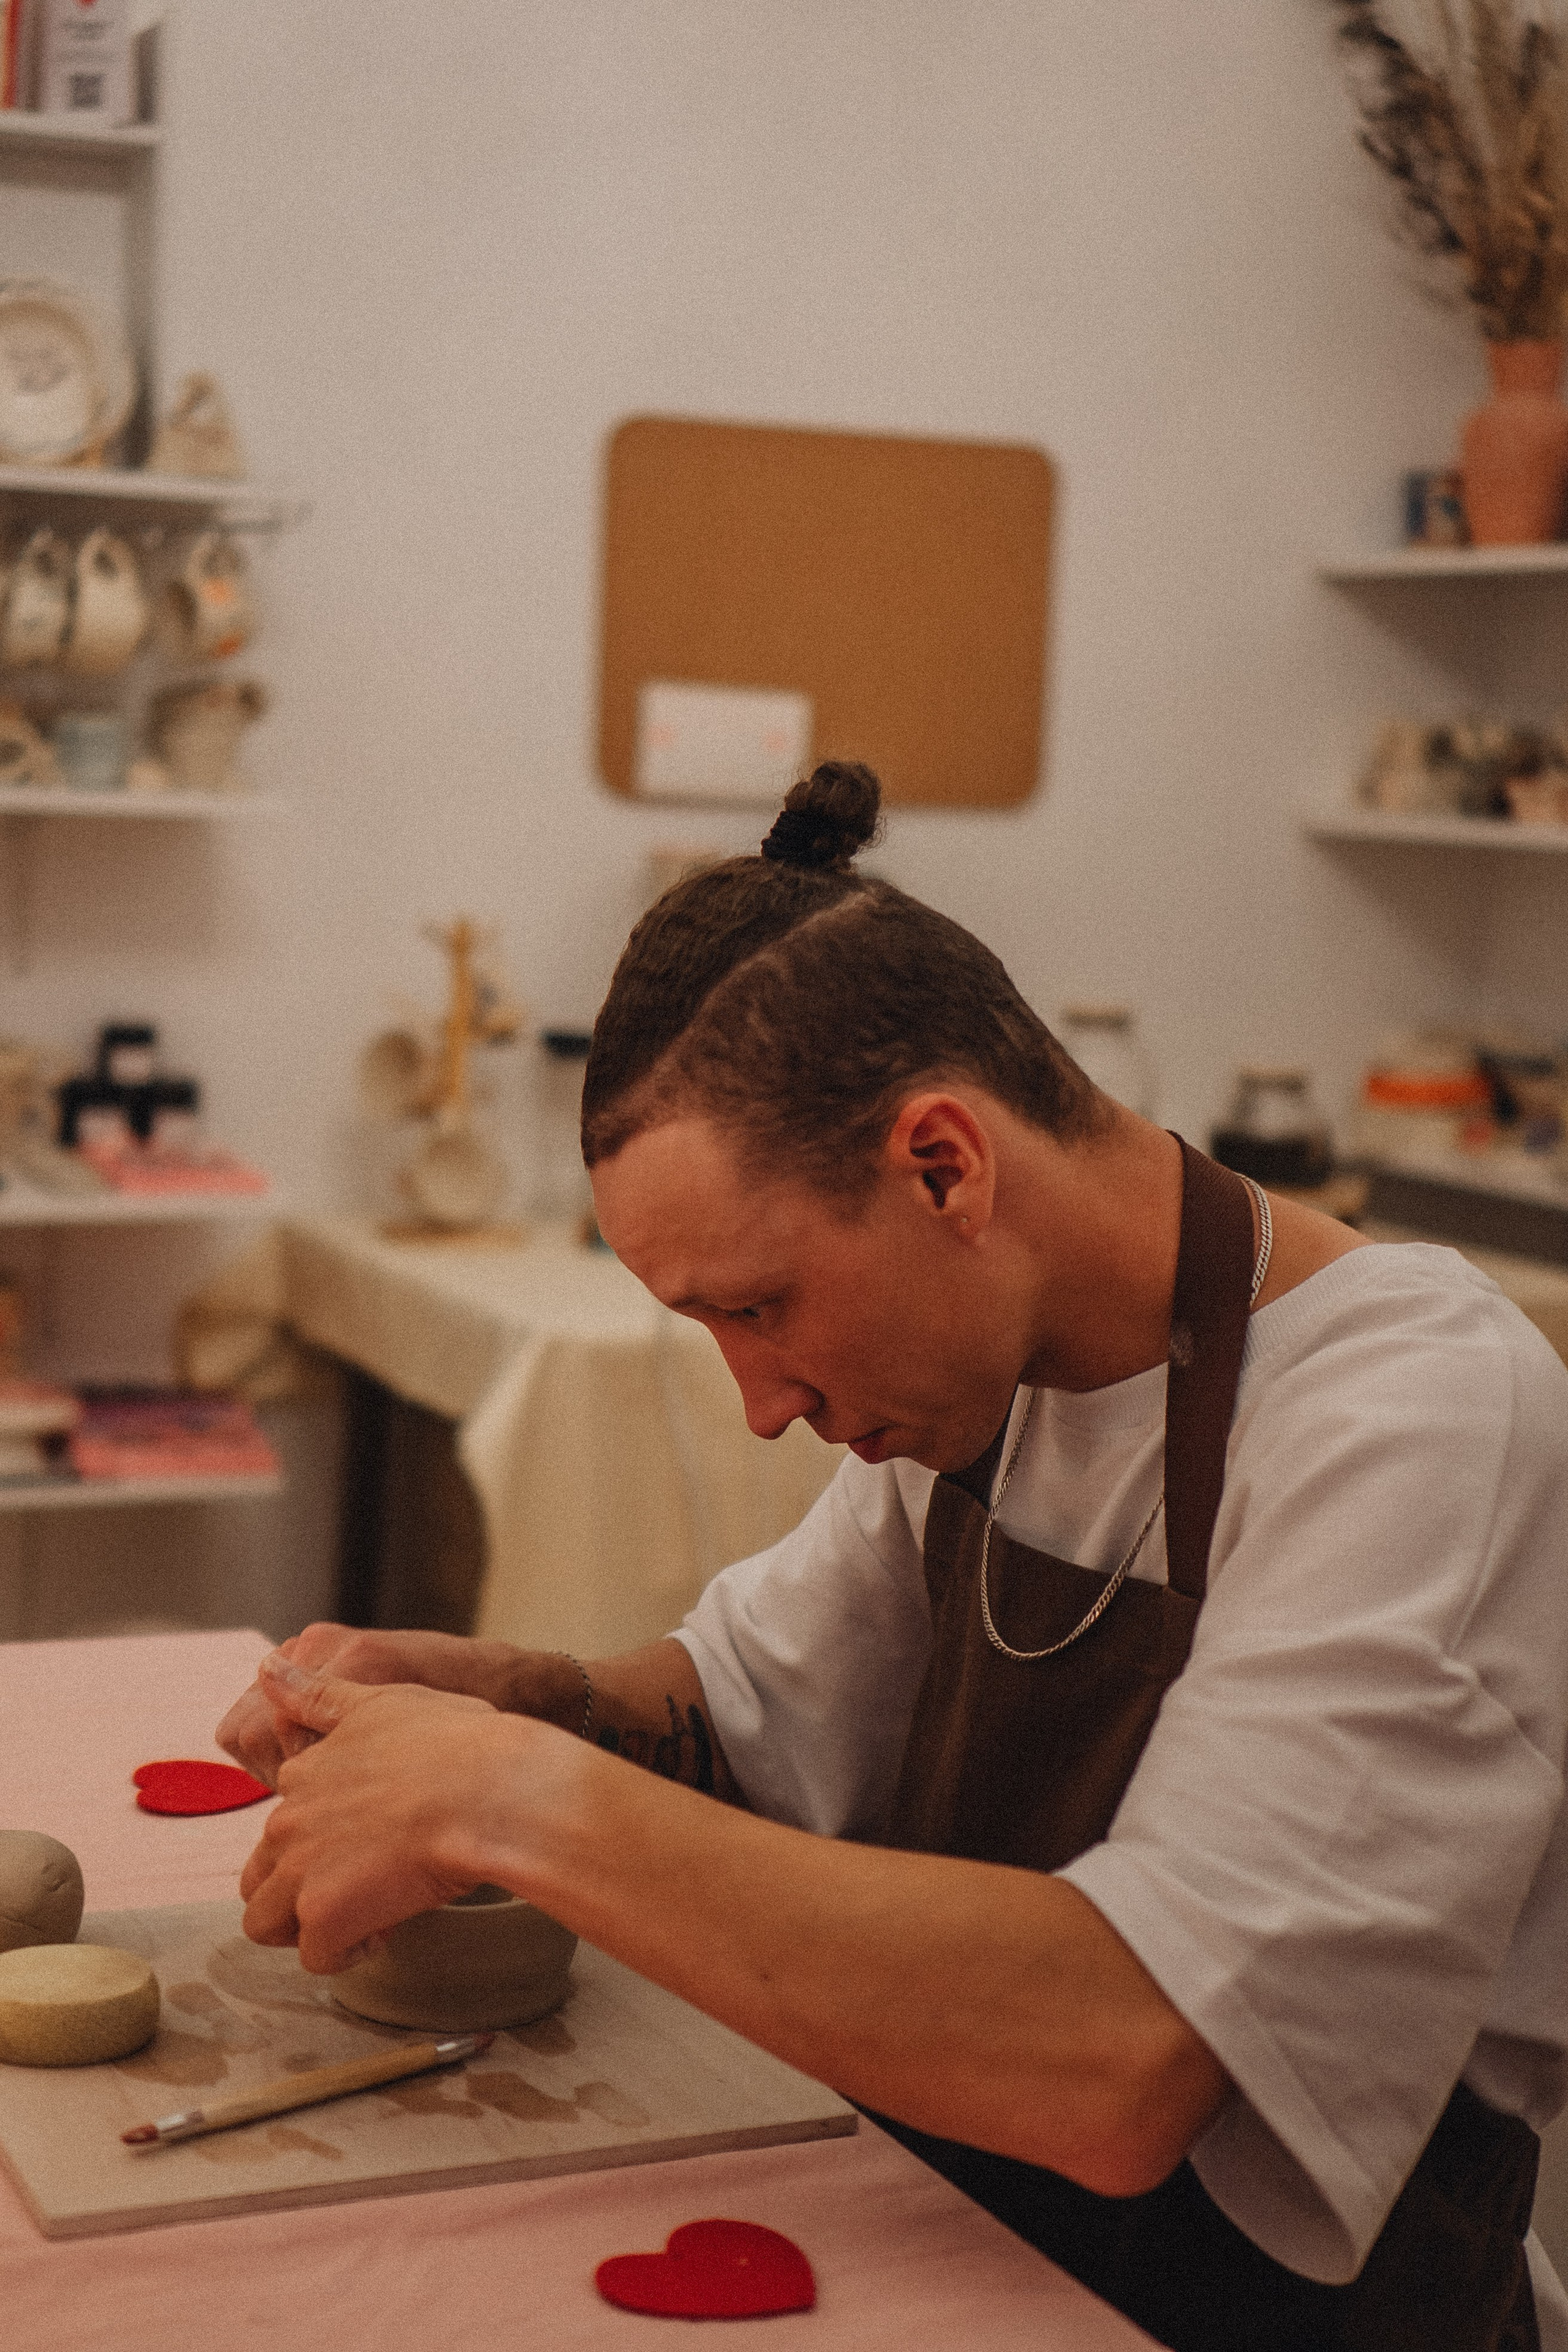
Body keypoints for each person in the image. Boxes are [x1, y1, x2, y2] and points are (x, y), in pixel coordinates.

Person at [222, 764, 1568, 2352]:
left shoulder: (1418, 1412)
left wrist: (510, 1797)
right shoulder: (985, 1387)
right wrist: (496, 1697)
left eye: (762, 1306)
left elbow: (1127, 2056)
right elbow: (734, 1716)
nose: (762, 1401)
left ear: (946, 1165)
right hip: (981, 2282)